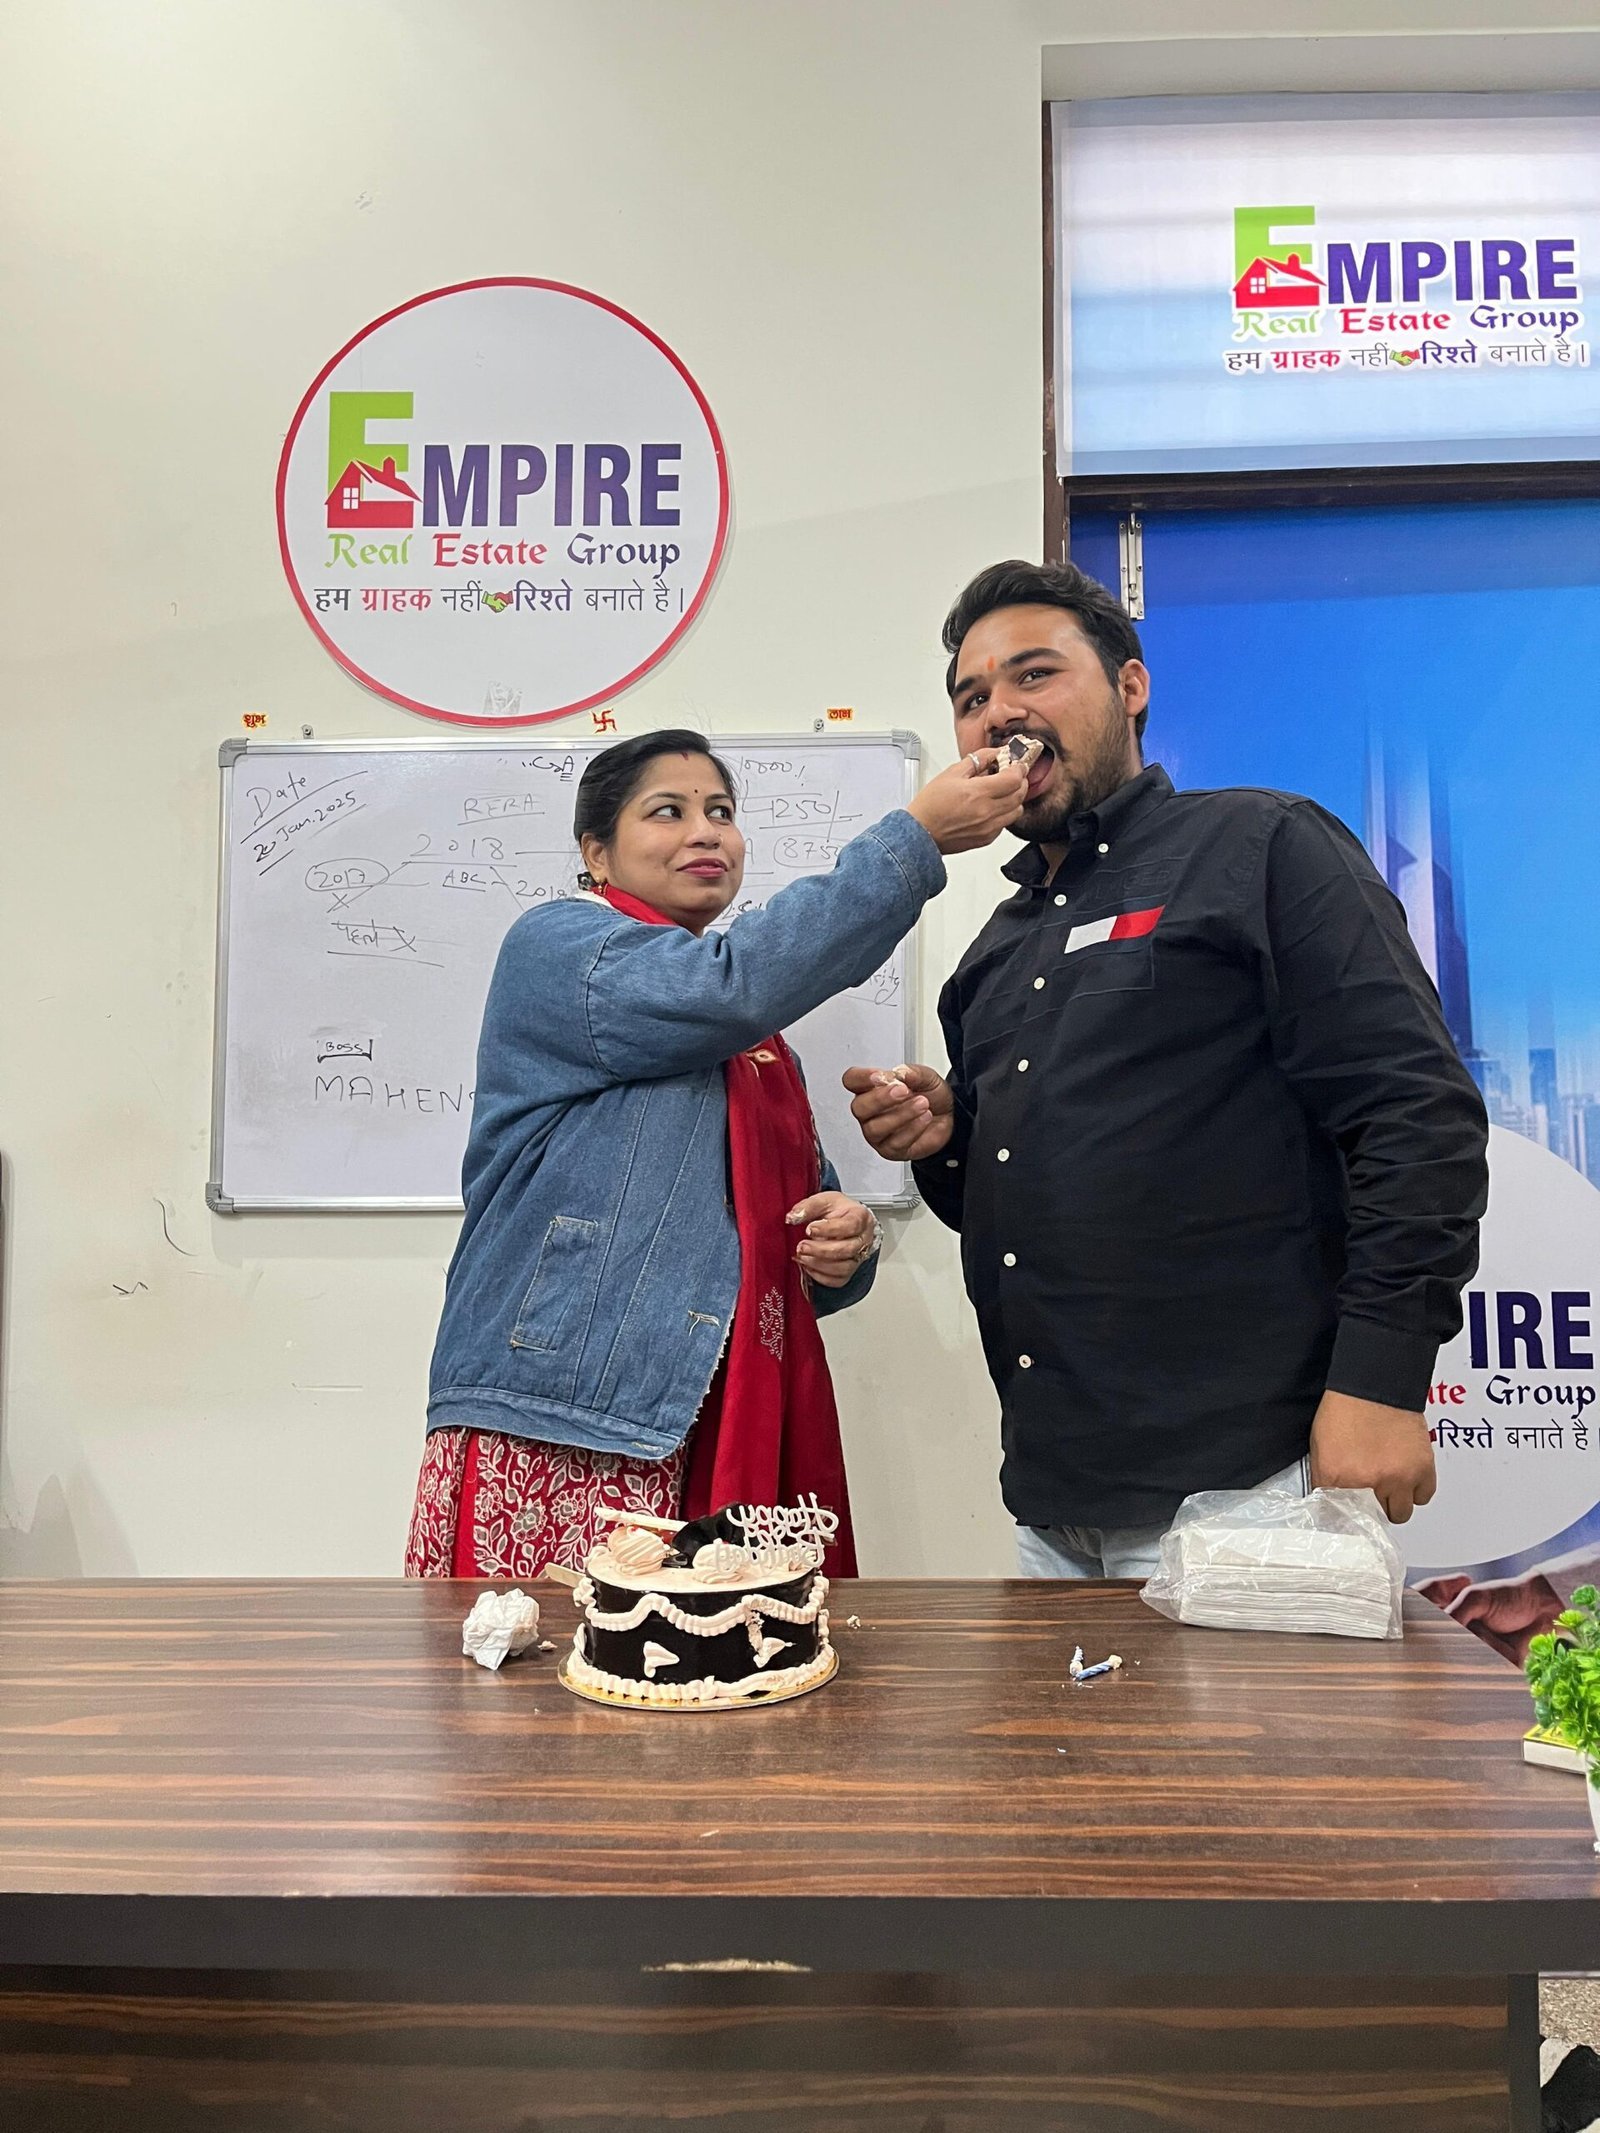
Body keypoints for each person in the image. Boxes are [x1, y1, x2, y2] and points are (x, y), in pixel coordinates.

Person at [846, 560, 1490, 1579]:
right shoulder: (991, 957)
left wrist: (1380, 1382)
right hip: (1050, 1510)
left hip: (1254, 1489)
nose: (997, 713)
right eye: (970, 699)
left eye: (1033, 674)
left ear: (1131, 687)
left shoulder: (1261, 842)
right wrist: (947, 1141)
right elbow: (1017, 1204)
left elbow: (1416, 1114)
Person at [407, 728, 1027, 1581]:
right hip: (563, 1413)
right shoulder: (562, 946)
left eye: (722, 812)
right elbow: (731, 985)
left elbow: (784, 1255)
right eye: (668, 811)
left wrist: (846, 1243)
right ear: (596, 852)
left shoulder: (760, 1050)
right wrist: (914, 839)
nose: (706, 831)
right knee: (545, 1663)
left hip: (711, 1417)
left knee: (711, 1659)